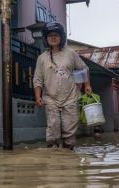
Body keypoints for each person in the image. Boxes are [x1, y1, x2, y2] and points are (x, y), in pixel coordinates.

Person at [33, 22, 92, 150]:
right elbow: (37, 79)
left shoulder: (71, 53)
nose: (53, 38)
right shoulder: (42, 58)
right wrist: (38, 96)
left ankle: (68, 154)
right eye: (50, 35)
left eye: (56, 35)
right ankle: (53, 156)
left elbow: (84, 68)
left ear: (61, 37)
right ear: (45, 38)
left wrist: (87, 85)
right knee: (53, 127)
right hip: (50, 98)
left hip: (70, 96)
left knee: (70, 129)